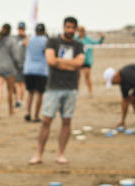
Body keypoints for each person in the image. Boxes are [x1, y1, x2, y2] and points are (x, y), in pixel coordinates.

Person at [29, 16, 85, 165]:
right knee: (46, 120)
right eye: (68, 27)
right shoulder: (53, 41)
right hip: (54, 87)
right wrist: (70, 64)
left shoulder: (78, 45)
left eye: (73, 28)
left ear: (75, 29)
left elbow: (80, 62)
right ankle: (39, 154)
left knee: (66, 121)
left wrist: (61, 63)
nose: (70, 30)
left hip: (71, 88)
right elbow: (51, 61)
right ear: (63, 27)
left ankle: (61, 153)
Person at [23, 23, 49, 122]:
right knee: (39, 94)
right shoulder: (46, 41)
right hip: (41, 70)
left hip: (29, 69)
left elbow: (23, 44)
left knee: (30, 93)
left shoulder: (29, 39)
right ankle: (36, 116)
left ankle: (28, 113)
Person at [0, 23, 19, 119]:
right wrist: (18, 65)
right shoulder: (12, 41)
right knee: (10, 90)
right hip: (9, 67)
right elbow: (16, 56)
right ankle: (10, 110)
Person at [79, 25, 104, 97]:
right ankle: (76, 91)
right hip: (77, 60)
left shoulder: (88, 39)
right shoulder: (76, 39)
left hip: (87, 61)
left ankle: (90, 92)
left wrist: (102, 38)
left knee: (87, 76)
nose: (80, 32)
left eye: (82, 31)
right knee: (77, 77)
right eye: (79, 31)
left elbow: (97, 43)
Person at [14, 22, 28, 108]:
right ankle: (20, 100)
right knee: (19, 84)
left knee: (20, 83)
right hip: (18, 63)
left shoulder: (27, 39)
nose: (21, 31)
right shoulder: (16, 39)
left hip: (23, 63)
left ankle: (19, 100)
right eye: (20, 29)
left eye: (22, 29)